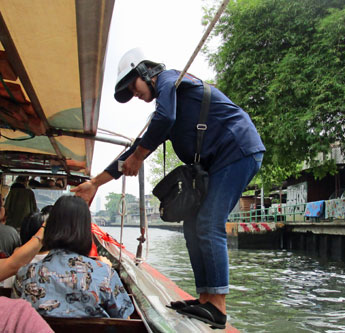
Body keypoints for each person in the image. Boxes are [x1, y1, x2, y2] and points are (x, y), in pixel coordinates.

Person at [71, 48, 265, 328]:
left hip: (238, 150)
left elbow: (161, 124)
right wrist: (94, 184)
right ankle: (205, 299)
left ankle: (218, 307)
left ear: (145, 72)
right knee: (192, 225)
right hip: (221, 161)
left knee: (209, 224)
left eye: (132, 86)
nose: (133, 93)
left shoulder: (168, 81)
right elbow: (137, 148)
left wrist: (138, 157)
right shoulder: (167, 106)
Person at [13, 196, 134, 319]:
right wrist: (107, 271)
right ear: (86, 230)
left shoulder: (25, 274)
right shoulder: (105, 274)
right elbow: (125, 322)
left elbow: (15, 319)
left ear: (49, 228)